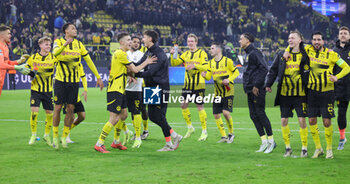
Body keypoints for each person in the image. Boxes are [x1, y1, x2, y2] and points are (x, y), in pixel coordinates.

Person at [284, 31, 350, 159]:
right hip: (312, 92)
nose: (316, 42)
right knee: (312, 120)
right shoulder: (308, 49)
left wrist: (337, 77)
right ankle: (318, 148)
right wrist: (287, 50)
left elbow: (347, 68)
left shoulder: (331, 54)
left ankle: (329, 149)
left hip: (327, 93)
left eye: (319, 40)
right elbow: (294, 43)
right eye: (314, 39)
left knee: (326, 121)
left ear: (323, 41)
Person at [94, 32, 156, 153]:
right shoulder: (121, 54)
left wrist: (129, 75)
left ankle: (116, 142)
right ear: (121, 42)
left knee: (124, 115)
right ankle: (99, 143)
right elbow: (135, 69)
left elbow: (126, 70)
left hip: (121, 89)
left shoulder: (119, 54)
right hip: (115, 90)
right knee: (113, 118)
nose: (130, 42)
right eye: (128, 40)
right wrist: (147, 62)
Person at [52, 23, 104, 149]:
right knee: (58, 108)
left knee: (70, 109)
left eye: (75, 28)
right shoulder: (58, 41)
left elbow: (89, 61)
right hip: (60, 81)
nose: (75, 30)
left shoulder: (79, 45)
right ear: (66, 31)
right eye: (73, 28)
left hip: (74, 82)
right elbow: (55, 53)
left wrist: (98, 76)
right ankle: (54, 137)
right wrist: (64, 45)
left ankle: (64, 137)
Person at [135, 30, 183, 151]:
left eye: (144, 37)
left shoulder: (159, 54)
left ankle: (169, 143)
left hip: (160, 88)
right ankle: (174, 136)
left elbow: (150, 72)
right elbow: (138, 64)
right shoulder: (149, 52)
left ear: (150, 39)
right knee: (152, 116)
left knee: (160, 115)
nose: (142, 39)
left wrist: (135, 74)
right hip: (151, 87)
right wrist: (128, 66)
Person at [265, 31, 309, 157]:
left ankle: (304, 148)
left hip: (300, 94)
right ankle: (288, 148)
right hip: (284, 94)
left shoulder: (305, 55)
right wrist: (268, 84)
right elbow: (273, 70)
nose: (290, 40)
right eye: (289, 38)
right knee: (284, 120)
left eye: (293, 38)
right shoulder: (281, 54)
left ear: (300, 40)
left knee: (301, 120)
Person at [239, 33, 276, 153]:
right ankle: (264, 141)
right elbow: (247, 73)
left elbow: (264, 68)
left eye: (241, 39)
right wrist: (246, 88)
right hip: (250, 90)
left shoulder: (255, 53)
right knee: (253, 115)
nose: (239, 41)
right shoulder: (247, 54)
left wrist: (256, 85)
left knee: (260, 113)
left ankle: (271, 141)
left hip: (257, 89)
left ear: (248, 40)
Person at [170, 34, 209, 141]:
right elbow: (174, 63)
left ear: (196, 42)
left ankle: (204, 131)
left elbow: (206, 66)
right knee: (183, 105)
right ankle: (190, 128)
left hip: (199, 85)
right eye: (188, 41)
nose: (190, 43)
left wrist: (195, 66)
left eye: (192, 41)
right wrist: (173, 54)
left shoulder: (202, 53)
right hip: (187, 85)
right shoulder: (186, 54)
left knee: (199, 106)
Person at [202, 42, 239, 143]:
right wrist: (204, 75)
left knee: (226, 113)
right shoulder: (210, 63)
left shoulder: (228, 61)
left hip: (228, 92)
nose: (210, 50)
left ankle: (231, 134)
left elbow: (236, 72)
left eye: (212, 48)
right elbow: (209, 77)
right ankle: (223, 136)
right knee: (216, 115)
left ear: (218, 50)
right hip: (217, 93)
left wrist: (229, 79)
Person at [26, 36, 57, 146]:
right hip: (36, 90)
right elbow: (26, 70)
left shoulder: (54, 58)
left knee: (49, 114)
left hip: (48, 91)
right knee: (34, 112)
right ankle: (33, 135)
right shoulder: (33, 57)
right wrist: (31, 73)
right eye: (46, 44)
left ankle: (46, 135)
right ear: (40, 45)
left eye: (49, 44)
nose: (48, 46)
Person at [124, 36, 149, 148]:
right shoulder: (125, 53)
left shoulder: (141, 55)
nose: (136, 44)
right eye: (134, 42)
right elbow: (126, 68)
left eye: (138, 42)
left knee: (140, 110)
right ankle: (134, 133)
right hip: (125, 88)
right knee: (127, 113)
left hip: (138, 88)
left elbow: (138, 68)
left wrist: (132, 73)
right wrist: (130, 74)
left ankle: (142, 133)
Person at [333, 26, 350, 150]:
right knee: (341, 113)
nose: (343, 35)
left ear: (349, 36)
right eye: (341, 33)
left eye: (345, 33)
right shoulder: (333, 52)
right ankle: (342, 138)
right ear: (338, 36)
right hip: (340, 88)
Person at [0, 25, 30, 96]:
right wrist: (17, 67)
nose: (10, 35)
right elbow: (1, 64)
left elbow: (7, 63)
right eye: (8, 34)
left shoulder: (5, 47)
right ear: (2, 35)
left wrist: (19, 61)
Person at [62, 63, 88, 144]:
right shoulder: (64, 64)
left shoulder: (79, 65)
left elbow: (83, 77)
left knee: (82, 116)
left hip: (76, 96)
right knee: (71, 116)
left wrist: (85, 90)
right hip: (66, 95)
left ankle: (66, 129)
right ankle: (66, 137)